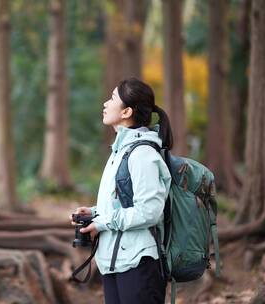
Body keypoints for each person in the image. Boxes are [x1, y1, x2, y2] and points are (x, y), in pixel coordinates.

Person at [70, 78, 173, 304]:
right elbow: (121, 203)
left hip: (139, 264)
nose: (105, 103)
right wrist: (94, 213)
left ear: (126, 111)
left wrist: (103, 223)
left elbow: (149, 211)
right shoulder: (119, 152)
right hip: (115, 263)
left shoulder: (143, 155)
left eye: (112, 98)